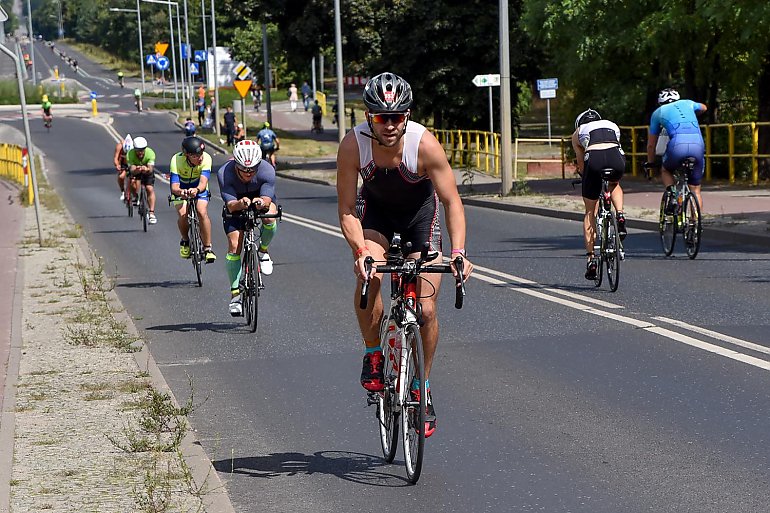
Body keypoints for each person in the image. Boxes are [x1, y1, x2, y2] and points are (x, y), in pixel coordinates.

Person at [336, 71, 473, 437]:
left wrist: (458, 252)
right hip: (376, 216)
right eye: (383, 117)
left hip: (419, 218)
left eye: (397, 116)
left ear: (407, 115)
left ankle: (421, 386)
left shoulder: (424, 145)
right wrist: (361, 250)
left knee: (426, 308)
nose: (391, 125)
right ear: (369, 116)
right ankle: (373, 353)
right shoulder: (353, 146)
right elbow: (348, 208)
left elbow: (451, 201)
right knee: (371, 274)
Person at [217, 140, 279, 316]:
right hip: (236, 201)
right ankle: (235, 295)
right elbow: (230, 205)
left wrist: (261, 202)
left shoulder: (267, 170)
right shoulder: (224, 173)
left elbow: (267, 200)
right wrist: (240, 203)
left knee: (269, 216)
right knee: (234, 245)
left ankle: (263, 251)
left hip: (259, 196)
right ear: (235, 164)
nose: (248, 173)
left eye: (252, 169)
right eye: (244, 170)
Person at [571, 108, 627, 281]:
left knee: (590, 212)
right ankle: (620, 214)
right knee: (614, 183)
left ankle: (591, 259)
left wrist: (585, 178)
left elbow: (581, 164)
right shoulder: (612, 125)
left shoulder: (577, 133)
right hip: (615, 158)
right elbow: (615, 148)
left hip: (593, 159)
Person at [646, 88, 708, 212]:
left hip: (677, 146)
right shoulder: (688, 103)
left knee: (665, 170)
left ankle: (673, 196)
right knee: (695, 189)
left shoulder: (658, 113)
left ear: (660, 102)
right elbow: (704, 107)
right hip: (698, 146)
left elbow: (651, 145)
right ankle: (695, 225)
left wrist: (651, 163)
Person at [170, 136, 216, 263]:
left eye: (201, 154)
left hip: (199, 188)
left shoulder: (206, 158)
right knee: (183, 214)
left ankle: (207, 248)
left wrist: (196, 190)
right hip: (181, 188)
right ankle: (185, 241)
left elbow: (203, 182)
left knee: (201, 212)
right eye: (195, 156)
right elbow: (174, 186)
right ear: (186, 155)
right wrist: (181, 192)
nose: (200, 158)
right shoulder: (176, 160)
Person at [126, 136, 157, 224]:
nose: (140, 152)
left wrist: (146, 169)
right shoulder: (130, 154)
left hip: (147, 170)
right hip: (136, 170)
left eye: (142, 150)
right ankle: (136, 197)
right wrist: (137, 169)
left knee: (149, 188)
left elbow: (150, 169)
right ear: (134, 149)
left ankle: (151, 213)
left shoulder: (150, 153)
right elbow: (131, 169)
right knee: (132, 182)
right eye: (138, 150)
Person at [113, 134, 133, 201]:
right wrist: (117, 165)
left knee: (135, 179)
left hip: (132, 162)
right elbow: (115, 158)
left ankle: (136, 195)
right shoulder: (119, 146)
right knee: (121, 177)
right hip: (123, 162)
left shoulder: (134, 148)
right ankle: (123, 191)